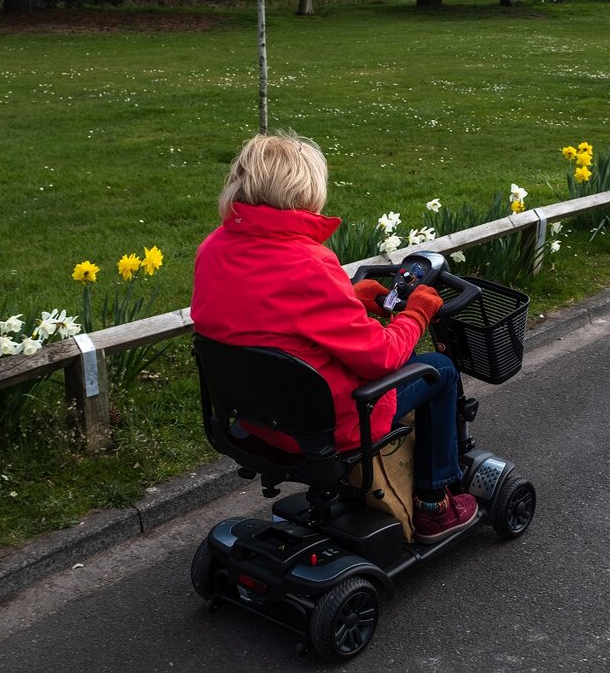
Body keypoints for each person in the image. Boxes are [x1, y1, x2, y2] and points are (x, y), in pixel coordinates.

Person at [190, 131, 478, 544]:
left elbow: (276, 315)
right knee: (440, 371)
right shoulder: (309, 264)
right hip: (328, 424)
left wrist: (350, 297)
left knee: (423, 370)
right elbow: (381, 357)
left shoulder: (214, 248)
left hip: (255, 418)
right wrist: (416, 312)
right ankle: (434, 505)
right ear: (305, 189)